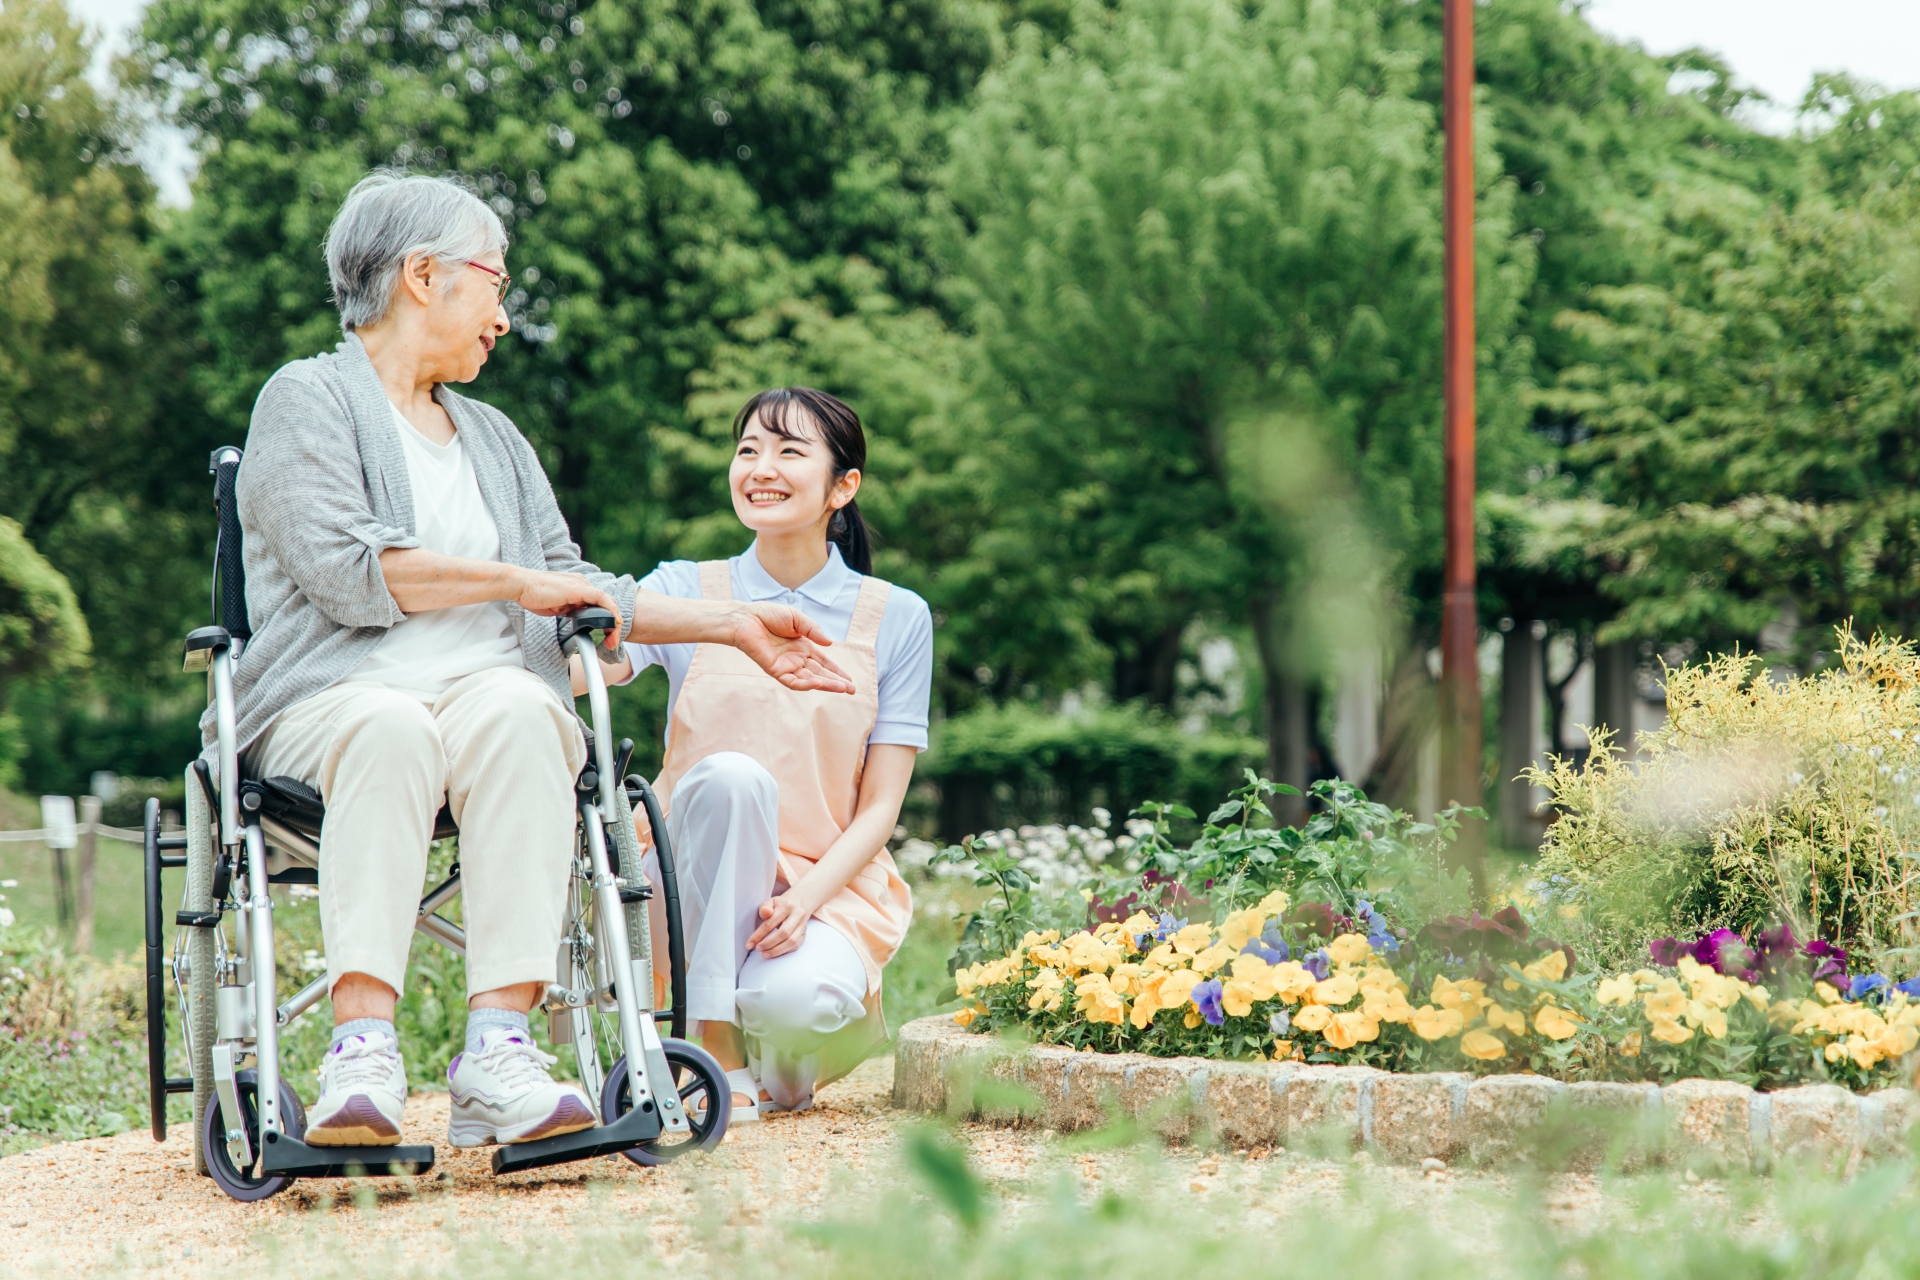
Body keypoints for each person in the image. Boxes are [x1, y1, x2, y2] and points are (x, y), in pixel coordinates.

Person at [225, 172, 854, 1150]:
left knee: (531, 714)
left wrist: (734, 625)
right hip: (332, 702)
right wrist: (510, 582)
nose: (504, 318)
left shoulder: (495, 438)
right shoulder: (305, 399)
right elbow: (351, 573)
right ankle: (361, 1048)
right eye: (495, 284)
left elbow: (574, 582)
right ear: (422, 276)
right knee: (391, 725)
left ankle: (500, 1051)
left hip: (483, 701)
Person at [597, 387, 932, 1117]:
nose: (761, 467)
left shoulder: (896, 617)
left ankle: (774, 1044)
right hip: (686, 880)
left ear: (843, 486)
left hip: (822, 884)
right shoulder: (687, 589)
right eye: (748, 449)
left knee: (799, 1004)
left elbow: (880, 808)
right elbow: (596, 664)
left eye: (789, 450)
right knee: (729, 780)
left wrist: (807, 902)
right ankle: (715, 1044)